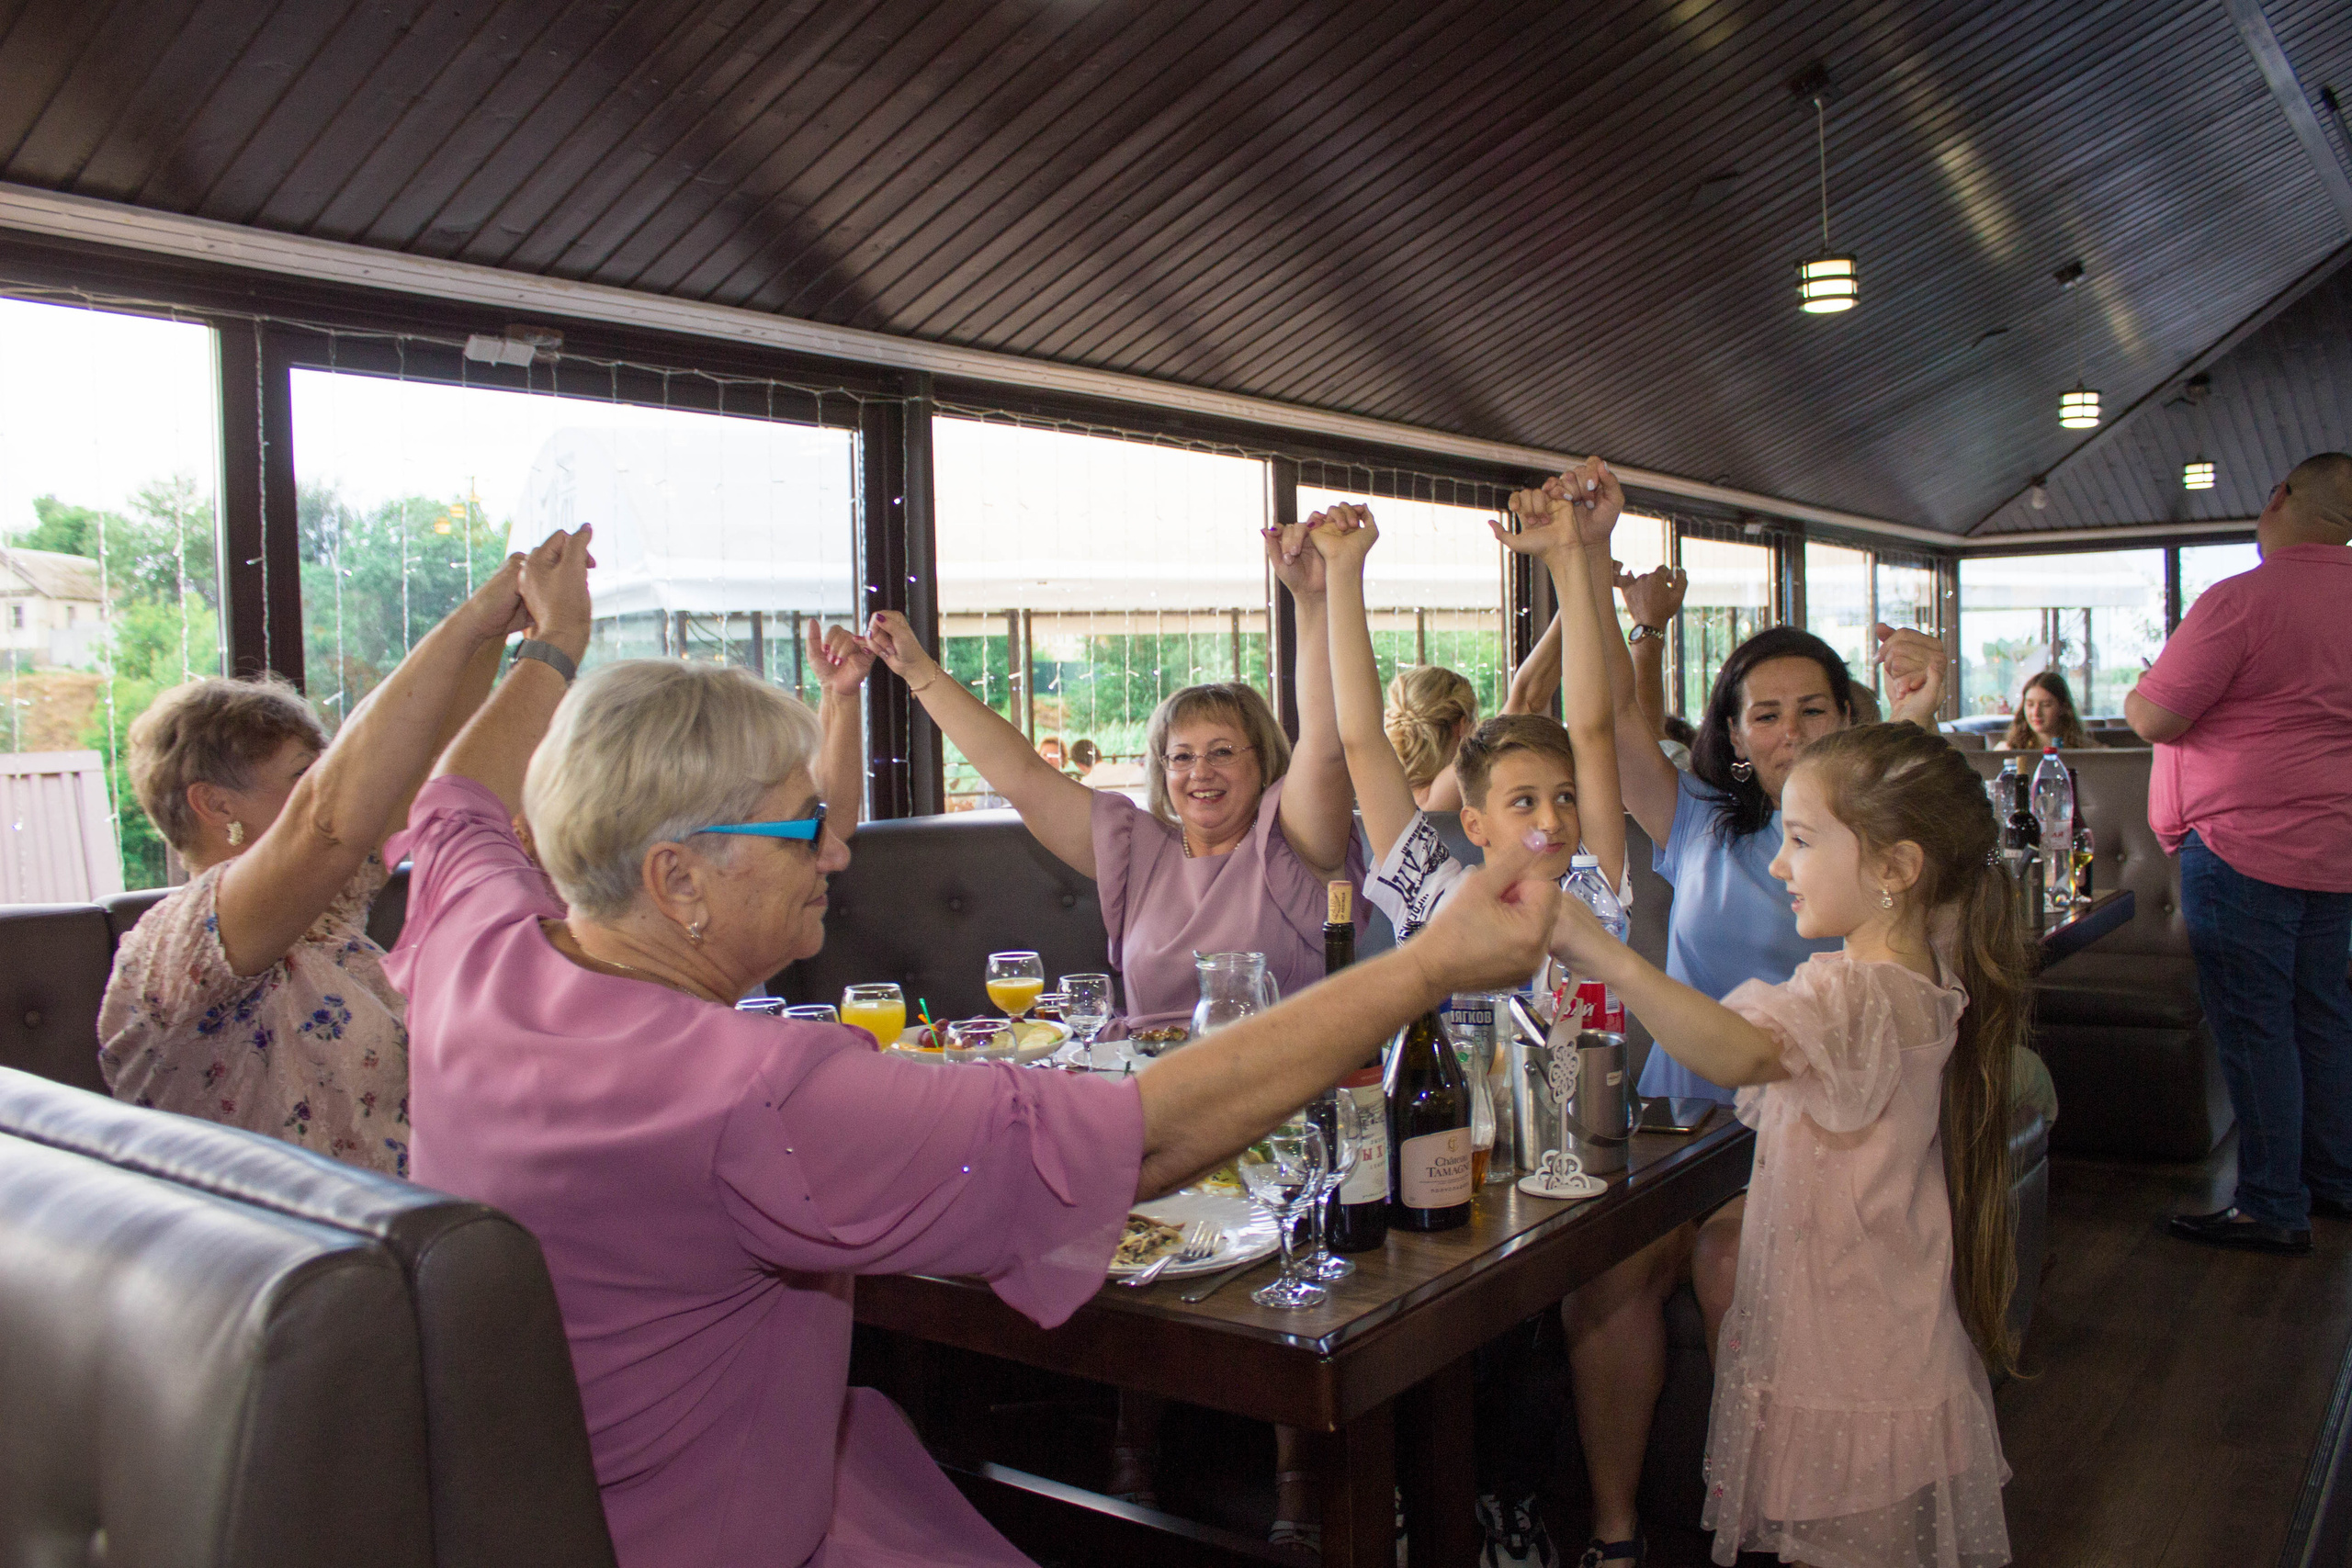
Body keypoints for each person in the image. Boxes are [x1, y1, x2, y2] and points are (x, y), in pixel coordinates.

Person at [386, 525, 1568, 1567]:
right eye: (803, 827)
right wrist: (1424, 967)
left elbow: (453, 803)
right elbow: (1134, 1137)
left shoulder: (474, 949)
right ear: (677, 878)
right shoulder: (756, 1094)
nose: (836, 851)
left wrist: (549, 648)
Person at [1507, 457, 1951, 1568]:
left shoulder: (1880, 855)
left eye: (1813, 709)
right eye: (1765, 713)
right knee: (1607, 1275)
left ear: (1848, 716)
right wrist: (1585, 562)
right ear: (1735, 732)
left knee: (1727, 1260)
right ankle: (1615, 1532)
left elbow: (1933, 841)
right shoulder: (1698, 816)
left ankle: (1764, 1526)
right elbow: (1600, 724)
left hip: (1814, 1144)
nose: (1789, 729)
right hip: (1680, 1123)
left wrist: (1919, 720)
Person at [1548, 722, 2021, 1568]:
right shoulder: (1913, 975)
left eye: (1801, 840)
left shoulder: (1859, 996)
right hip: (1878, 1338)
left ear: (1896, 868)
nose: (1778, 866)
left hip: (1853, 1354)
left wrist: (1602, 954)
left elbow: (1736, 1050)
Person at [96, 545, 550, 1175]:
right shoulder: (181, 947)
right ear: (216, 804)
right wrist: (484, 623)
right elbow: (331, 821)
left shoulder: (326, 913)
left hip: (417, 1216)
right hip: (290, 1235)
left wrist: (499, 627)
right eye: (304, 775)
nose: (328, 787)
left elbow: (423, 765)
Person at [861, 521, 1359, 1033]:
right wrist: (917, 671)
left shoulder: (1295, 840)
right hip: (1145, 1072)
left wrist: (1313, 601)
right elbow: (1022, 776)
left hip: (1282, 1071)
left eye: (1223, 752)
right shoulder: (1137, 849)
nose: (1200, 772)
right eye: (1181, 756)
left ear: (1264, 761)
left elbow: (1326, 744)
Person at [2128, 451, 2352, 1255]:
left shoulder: (2239, 601)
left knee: (2257, 1029)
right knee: (2323, 1017)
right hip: (2337, 849)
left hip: (2240, 845)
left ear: (2280, 497)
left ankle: (2271, 1204)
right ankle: (2334, 1179)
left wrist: (2144, 685)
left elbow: (2155, 717)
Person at [1389, 609, 1566, 812]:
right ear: (1462, 726)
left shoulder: (1383, 788)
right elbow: (1524, 700)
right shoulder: (1436, 798)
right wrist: (1572, 604)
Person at [1999, 670, 2090, 750]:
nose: (2036, 713)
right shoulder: (2009, 750)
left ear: (2063, 707)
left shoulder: (2087, 751)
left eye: (2046, 705)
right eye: (2030, 705)